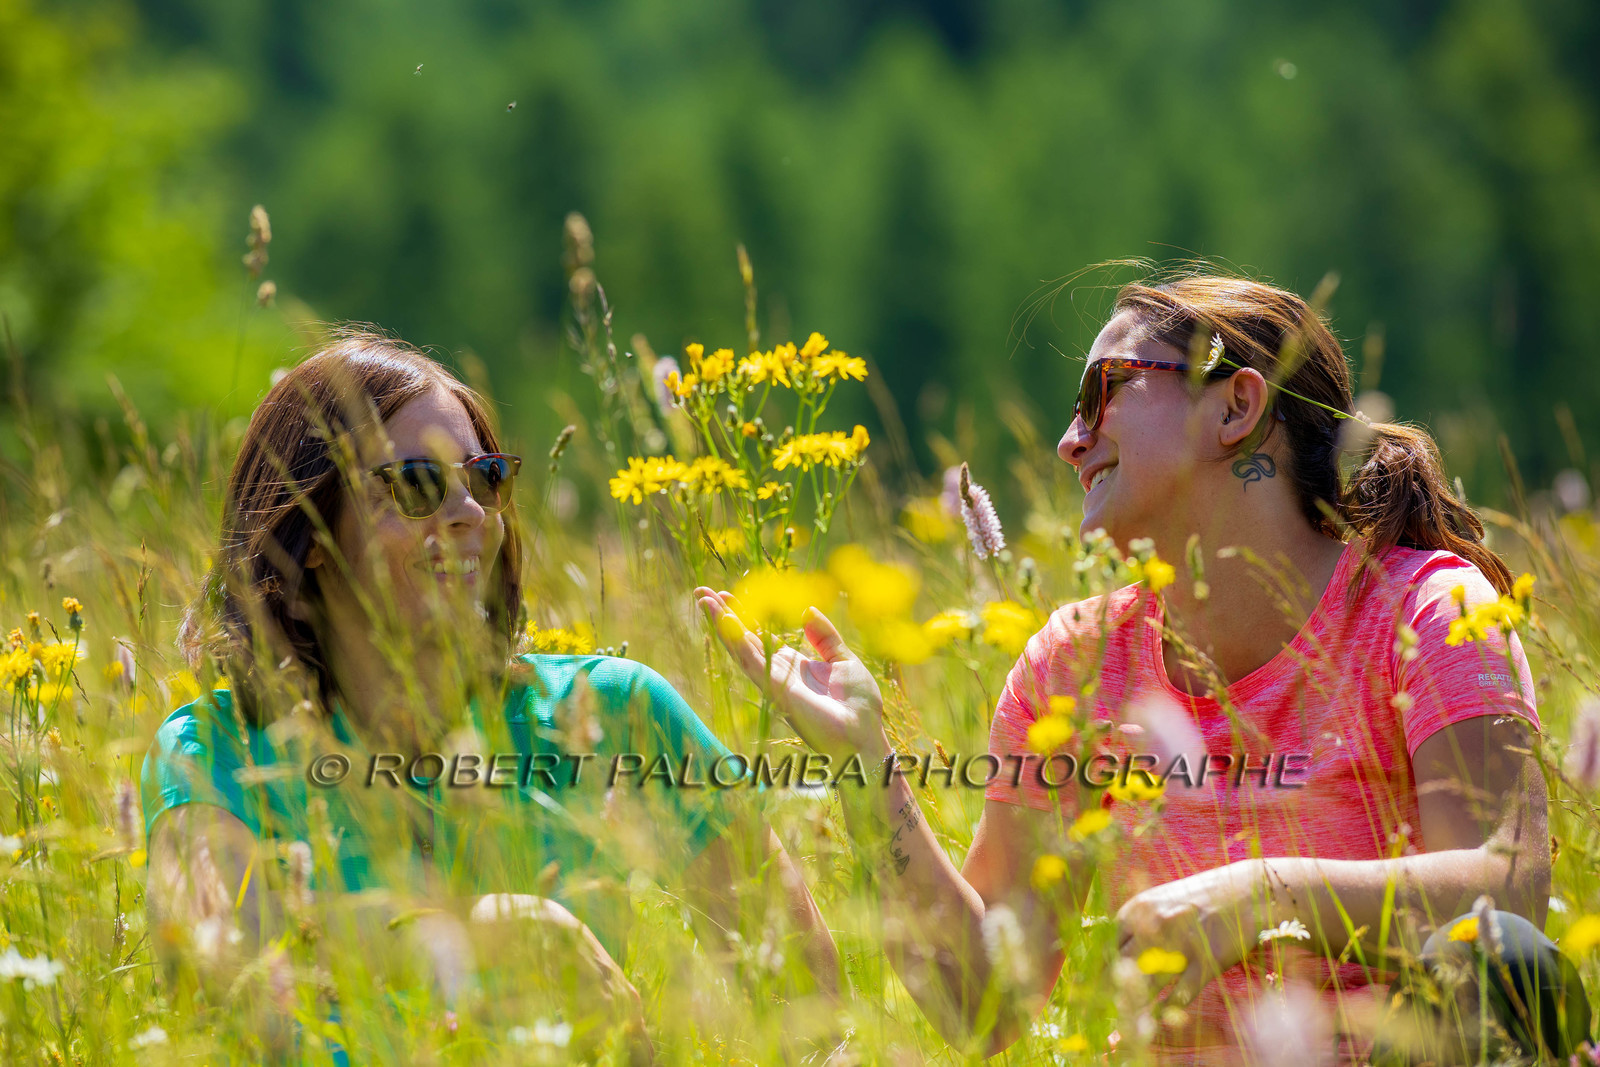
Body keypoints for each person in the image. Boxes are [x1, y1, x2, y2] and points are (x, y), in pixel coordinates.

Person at [698, 275, 1591, 1063]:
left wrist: (1260, 895)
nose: (1068, 440)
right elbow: (983, 1006)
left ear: (1237, 409)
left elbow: (1507, 891)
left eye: (1103, 390)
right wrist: (867, 766)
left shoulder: (1427, 611)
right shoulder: (1076, 665)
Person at [142, 328, 840, 1060]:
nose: (469, 513)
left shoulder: (614, 716)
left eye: (485, 480)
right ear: (309, 530)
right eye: (415, 484)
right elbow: (216, 965)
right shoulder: (215, 752)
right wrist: (487, 934)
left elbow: (810, 1004)